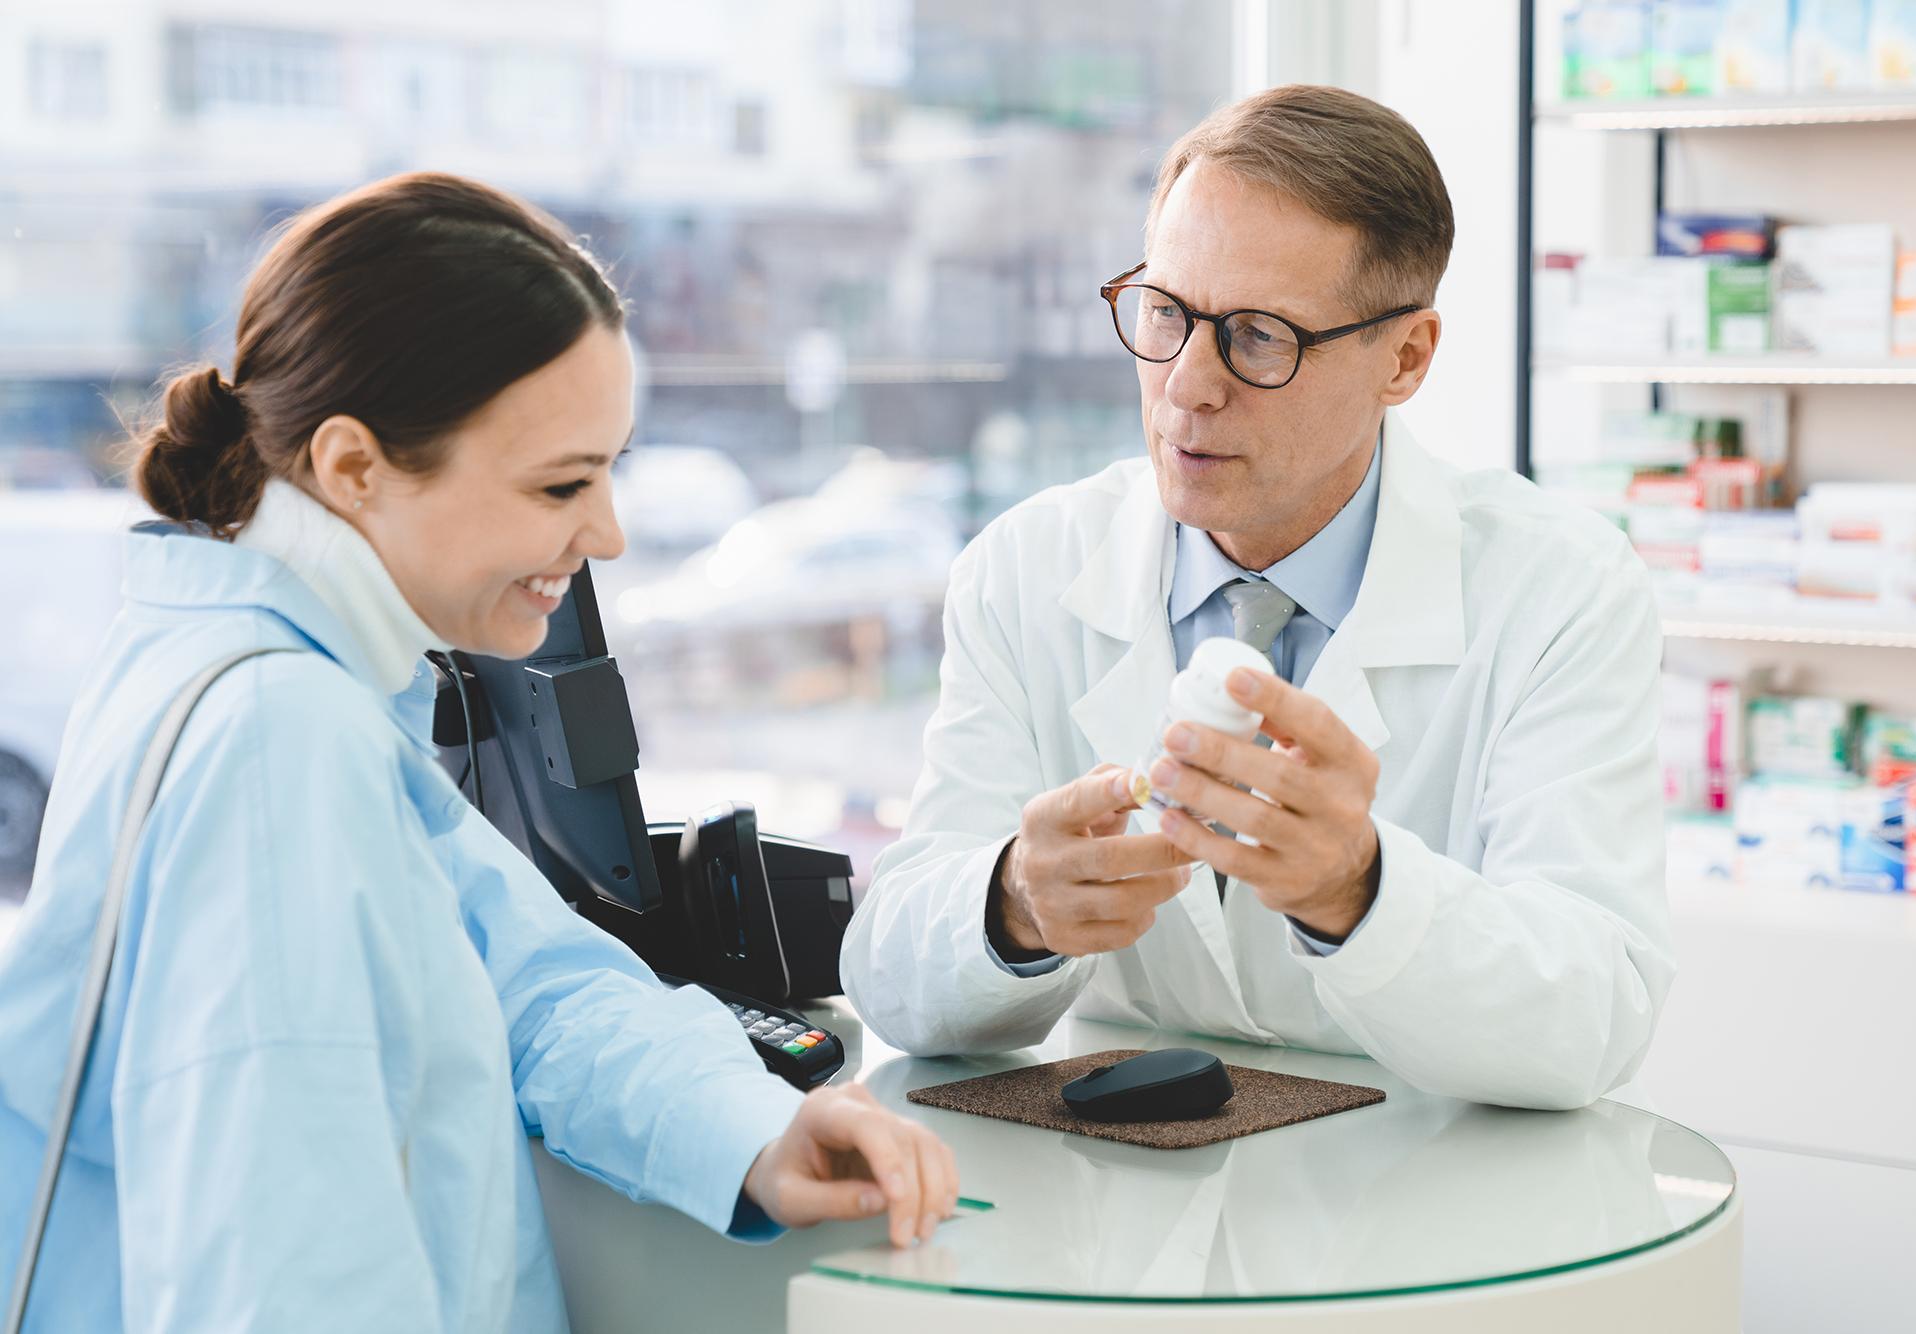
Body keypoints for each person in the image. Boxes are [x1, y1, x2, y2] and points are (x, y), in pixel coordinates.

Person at [0, 173, 956, 1333]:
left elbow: (528, 975)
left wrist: (745, 1126)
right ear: (354, 466)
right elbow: (284, 1287)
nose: (604, 533)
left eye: (609, 471)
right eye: (561, 482)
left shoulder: (298, 680)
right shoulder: (275, 745)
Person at [840, 86, 1673, 1113]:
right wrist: (1013, 902)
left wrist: (1355, 891)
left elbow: (1594, 1012)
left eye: (1258, 335)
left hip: (1428, 1210)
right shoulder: (1027, 568)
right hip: (1120, 1213)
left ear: (1404, 357)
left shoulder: (1557, 588)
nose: (1187, 383)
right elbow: (890, 975)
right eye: (1165, 312)